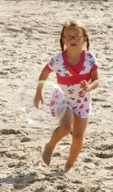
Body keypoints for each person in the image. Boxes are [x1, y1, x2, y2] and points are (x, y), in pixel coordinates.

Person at [34, 20, 100, 173]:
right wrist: (38, 93)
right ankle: (50, 146)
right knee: (66, 128)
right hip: (62, 99)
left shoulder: (90, 59)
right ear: (63, 40)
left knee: (77, 136)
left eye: (77, 37)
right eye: (68, 37)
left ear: (84, 39)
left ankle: (69, 165)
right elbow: (44, 73)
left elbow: (96, 79)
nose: (73, 40)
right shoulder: (57, 60)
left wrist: (89, 87)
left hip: (82, 102)